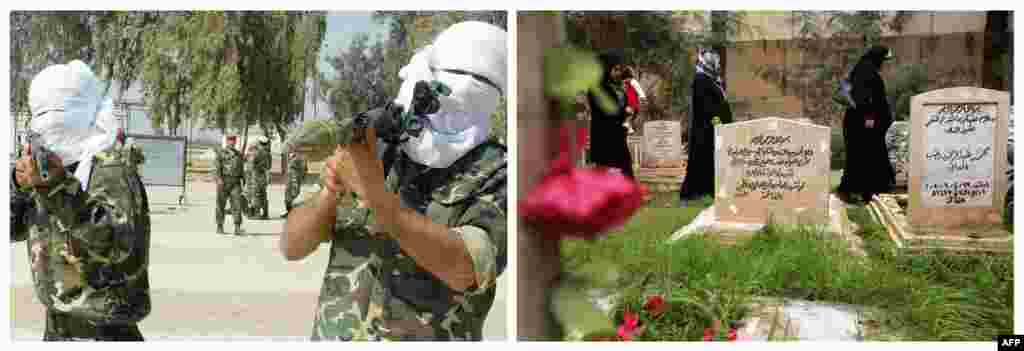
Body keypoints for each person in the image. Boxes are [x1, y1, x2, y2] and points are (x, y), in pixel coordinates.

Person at [282, 21, 507, 341]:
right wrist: (331, 192)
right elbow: (291, 246)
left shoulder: (498, 172)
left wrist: (374, 193)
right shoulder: (379, 147)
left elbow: (467, 268)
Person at [10, 60, 151, 341]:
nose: (48, 122)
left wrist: (59, 189)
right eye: (41, 113)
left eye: (59, 111)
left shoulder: (112, 170)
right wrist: (17, 185)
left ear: (85, 112)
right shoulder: (45, 170)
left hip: (106, 333)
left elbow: (121, 249)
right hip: (57, 327)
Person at [837, 46, 896, 203]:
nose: (884, 63)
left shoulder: (861, 70)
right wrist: (870, 121)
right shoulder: (867, 72)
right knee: (867, 157)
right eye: (884, 60)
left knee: (860, 157)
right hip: (865, 124)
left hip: (860, 123)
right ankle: (867, 192)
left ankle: (858, 191)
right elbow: (866, 100)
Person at [679, 47, 733, 207]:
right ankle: (688, 194)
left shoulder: (712, 79)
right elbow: (705, 105)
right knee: (700, 161)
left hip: (713, 129)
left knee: (711, 162)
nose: (717, 64)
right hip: (706, 129)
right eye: (715, 61)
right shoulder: (701, 79)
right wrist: (716, 119)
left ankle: (711, 191)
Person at [587, 49, 635, 178]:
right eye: (615, 69)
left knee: (625, 167)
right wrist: (623, 112)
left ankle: (628, 193)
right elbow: (604, 109)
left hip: (618, 134)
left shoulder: (617, 86)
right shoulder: (596, 88)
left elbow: (621, 105)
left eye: (619, 69)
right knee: (608, 170)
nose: (618, 73)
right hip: (604, 136)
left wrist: (628, 113)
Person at [214, 135, 246, 235]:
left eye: (233, 140)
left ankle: (237, 227)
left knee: (237, 205)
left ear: (235, 142)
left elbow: (241, 169)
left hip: (235, 183)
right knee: (220, 205)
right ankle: (220, 226)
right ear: (227, 141)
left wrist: (243, 181)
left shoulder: (238, 154)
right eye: (230, 140)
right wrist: (219, 179)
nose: (232, 142)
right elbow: (217, 168)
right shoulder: (221, 153)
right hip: (223, 182)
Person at [251, 136, 272, 219]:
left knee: (256, 195)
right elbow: (269, 166)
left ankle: (257, 214)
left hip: (257, 176)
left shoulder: (257, 153)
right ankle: (265, 214)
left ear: (259, 143)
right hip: (264, 177)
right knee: (264, 195)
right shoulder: (268, 154)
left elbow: (252, 165)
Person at [283, 149, 307, 216]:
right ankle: (289, 212)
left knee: (294, 196)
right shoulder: (291, 156)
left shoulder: (301, 158)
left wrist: (299, 178)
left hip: (295, 180)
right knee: (287, 197)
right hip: (289, 180)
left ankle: (294, 214)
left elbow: (304, 169)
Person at [622, 66, 646, 135]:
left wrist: (642, 97)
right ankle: (629, 128)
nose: (624, 81)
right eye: (624, 80)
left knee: (630, 114)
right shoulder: (626, 83)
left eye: (625, 79)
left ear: (629, 77)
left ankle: (628, 125)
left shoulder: (633, 82)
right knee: (629, 115)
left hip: (633, 103)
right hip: (628, 103)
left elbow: (639, 89)